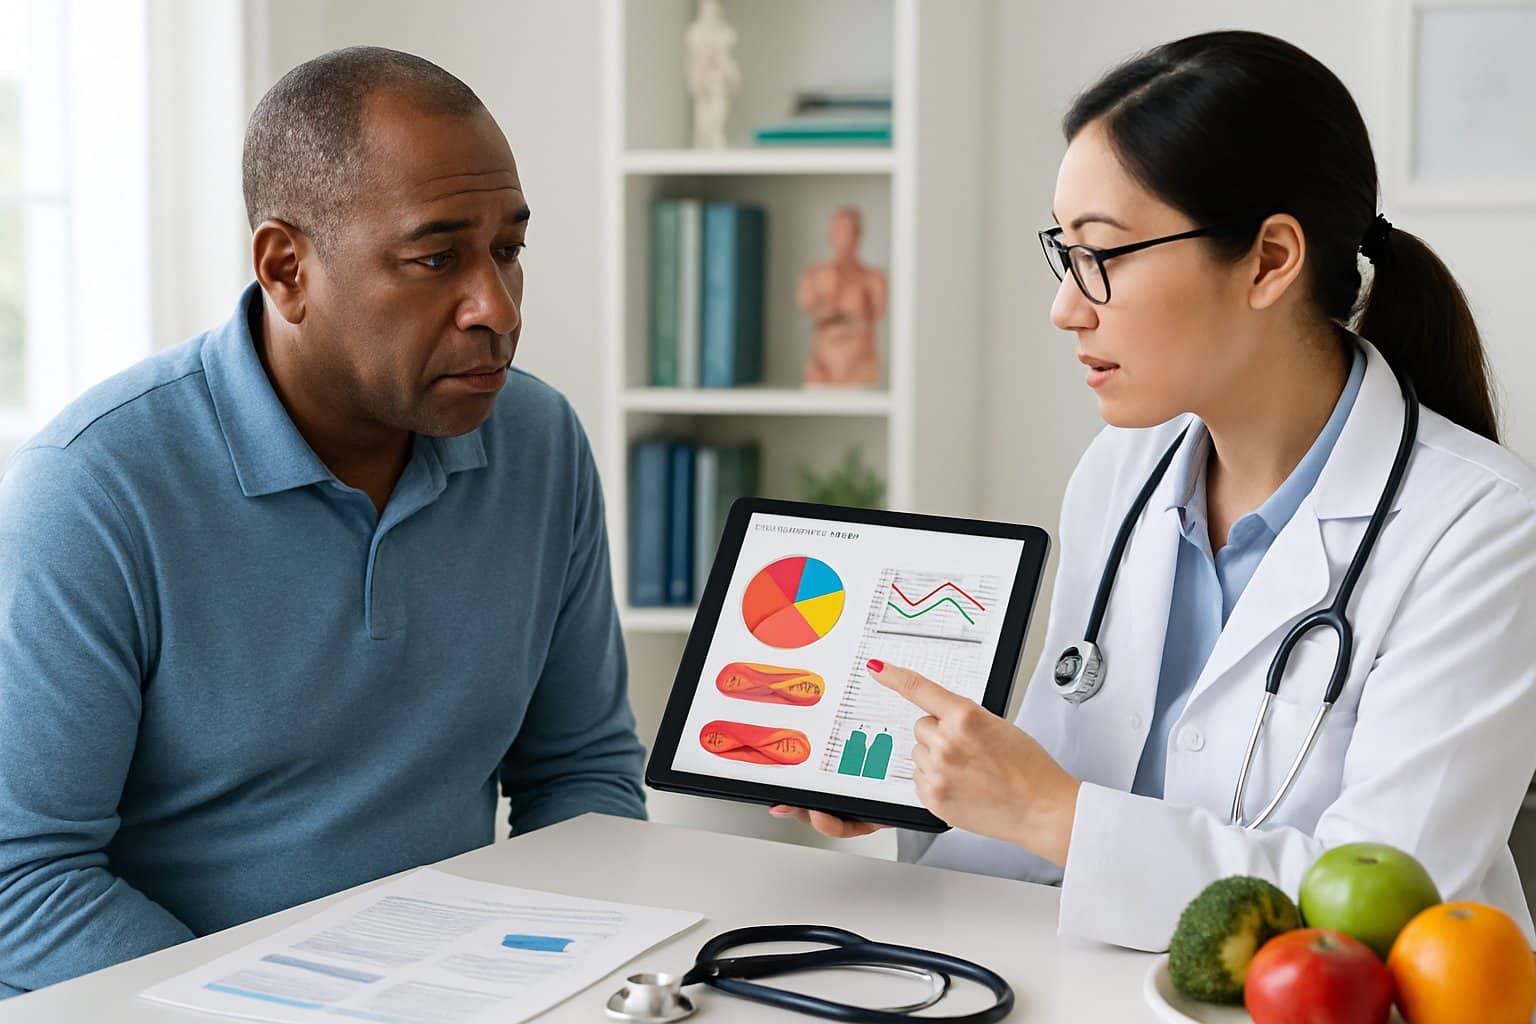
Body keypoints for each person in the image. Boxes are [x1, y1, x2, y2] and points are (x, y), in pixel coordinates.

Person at [773, 29, 1536, 952]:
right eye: (1067, 252)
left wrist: (1045, 811)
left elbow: (1386, 909)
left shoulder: (1482, 528)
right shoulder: (1122, 476)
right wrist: (922, 794)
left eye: (1105, 253)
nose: (1067, 306)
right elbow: (1077, 797)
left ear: (1269, 260)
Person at [0, 47, 646, 997]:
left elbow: (581, 773)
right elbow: (23, 883)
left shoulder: (538, 442)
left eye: (508, 248)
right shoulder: (92, 490)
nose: (497, 308)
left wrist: (556, 973)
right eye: (436, 259)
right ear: (285, 267)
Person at [799, 207, 887, 387]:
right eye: (838, 230)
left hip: (859, 366)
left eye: (849, 231)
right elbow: (807, 305)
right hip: (823, 365)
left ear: (859, 235)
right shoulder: (814, 275)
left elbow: (877, 311)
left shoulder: (872, 279)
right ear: (829, 236)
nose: (844, 237)